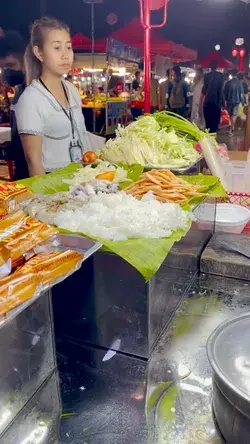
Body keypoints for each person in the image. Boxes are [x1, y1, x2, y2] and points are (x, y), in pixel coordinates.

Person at [16, 17, 89, 177]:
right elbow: (34, 164)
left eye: (68, 47)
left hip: (82, 181)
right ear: (39, 53)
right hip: (53, 187)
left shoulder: (72, 90)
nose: (65, 55)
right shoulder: (31, 100)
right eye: (57, 48)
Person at [0, 32, 29, 179]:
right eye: (3, 68)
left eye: (11, 65)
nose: (7, 72)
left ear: (25, 61)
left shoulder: (35, 92)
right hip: (21, 167)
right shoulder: (19, 90)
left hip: (34, 171)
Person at [203, 60, 224, 133]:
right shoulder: (221, 76)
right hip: (216, 101)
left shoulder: (206, 76)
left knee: (208, 119)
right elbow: (221, 90)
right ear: (217, 66)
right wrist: (222, 102)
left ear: (210, 67)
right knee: (215, 119)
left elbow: (205, 89)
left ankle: (209, 133)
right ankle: (214, 133)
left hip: (207, 100)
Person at [224, 69, 244, 135]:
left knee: (230, 115)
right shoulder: (240, 83)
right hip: (237, 101)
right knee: (234, 115)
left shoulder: (228, 83)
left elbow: (225, 93)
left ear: (231, 74)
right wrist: (243, 102)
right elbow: (241, 94)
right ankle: (231, 129)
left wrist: (225, 101)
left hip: (229, 101)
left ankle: (231, 128)